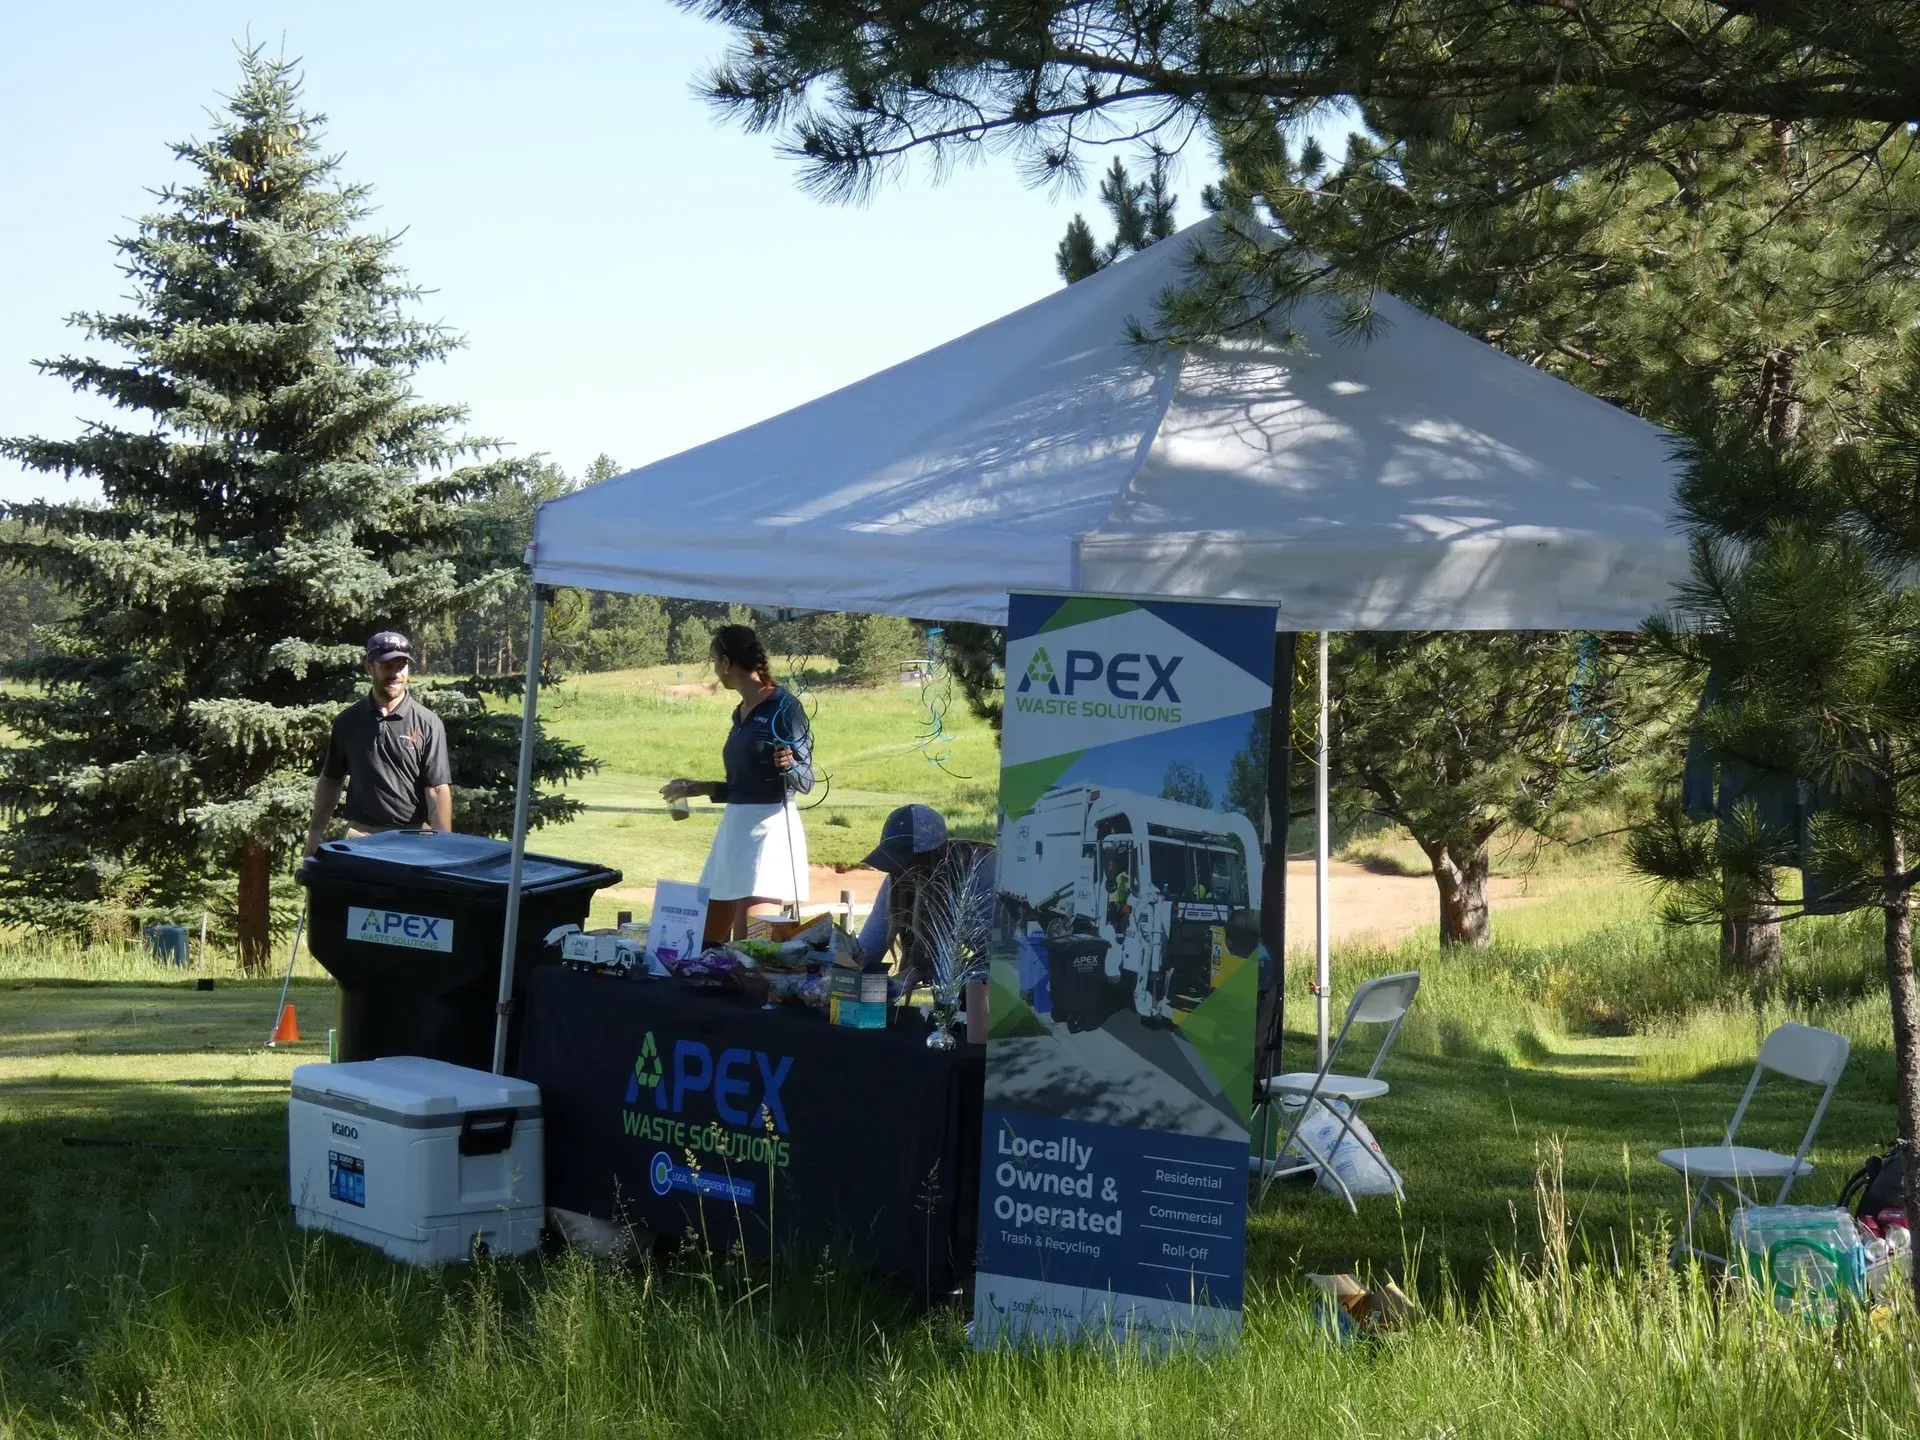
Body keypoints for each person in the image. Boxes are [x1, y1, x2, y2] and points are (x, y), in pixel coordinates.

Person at [661, 625, 813, 942]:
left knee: (752, 948)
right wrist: (696, 788)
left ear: (728, 663)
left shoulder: (785, 708)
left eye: (715, 661)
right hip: (734, 830)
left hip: (769, 833)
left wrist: (791, 766)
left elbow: (807, 780)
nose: (715, 670)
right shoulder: (740, 712)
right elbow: (741, 787)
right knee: (705, 941)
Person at [305, 630, 452, 855]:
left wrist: (444, 850)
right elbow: (331, 780)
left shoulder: (428, 723)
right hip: (360, 836)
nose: (395, 673)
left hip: (412, 837)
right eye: (387, 666)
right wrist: (315, 836)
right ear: (369, 668)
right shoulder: (348, 721)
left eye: (401, 665)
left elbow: (437, 790)